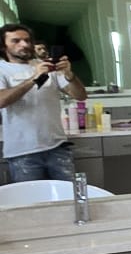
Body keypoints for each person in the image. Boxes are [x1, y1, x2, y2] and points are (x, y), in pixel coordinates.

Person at [0, 24, 87, 183]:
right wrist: (34, 78)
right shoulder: (2, 69)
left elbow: (80, 95)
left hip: (58, 147)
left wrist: (69, 75)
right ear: (3, 45)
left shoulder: (46, 66)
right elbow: (2, 100)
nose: (24, 44)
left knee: (68, 194)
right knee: (31, 198)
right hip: (23, 152)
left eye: (27, 40)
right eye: (16, 41)